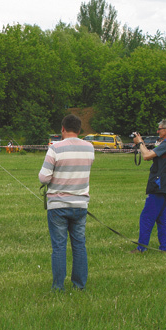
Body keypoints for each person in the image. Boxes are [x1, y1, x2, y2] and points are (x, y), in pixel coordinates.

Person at [39, 114, 95, 291]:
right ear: (79, 130)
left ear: (62, 129)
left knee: (59, 247)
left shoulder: (55, 148)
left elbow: (43, 177)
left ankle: (58, 286)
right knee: (79, 245)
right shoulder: (89, 148)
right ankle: (79, 285)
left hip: (58, 205)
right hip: (80, 204)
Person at [131, 119, 166, 253]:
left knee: (146, 217)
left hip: (159, 186)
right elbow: (151, 155)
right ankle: (164, 247)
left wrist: (140, 143)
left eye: (159, 129)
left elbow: (146, 156)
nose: (157, 131)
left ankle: (141, 248)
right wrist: (142, 144)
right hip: (165, 187)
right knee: (162, 219)